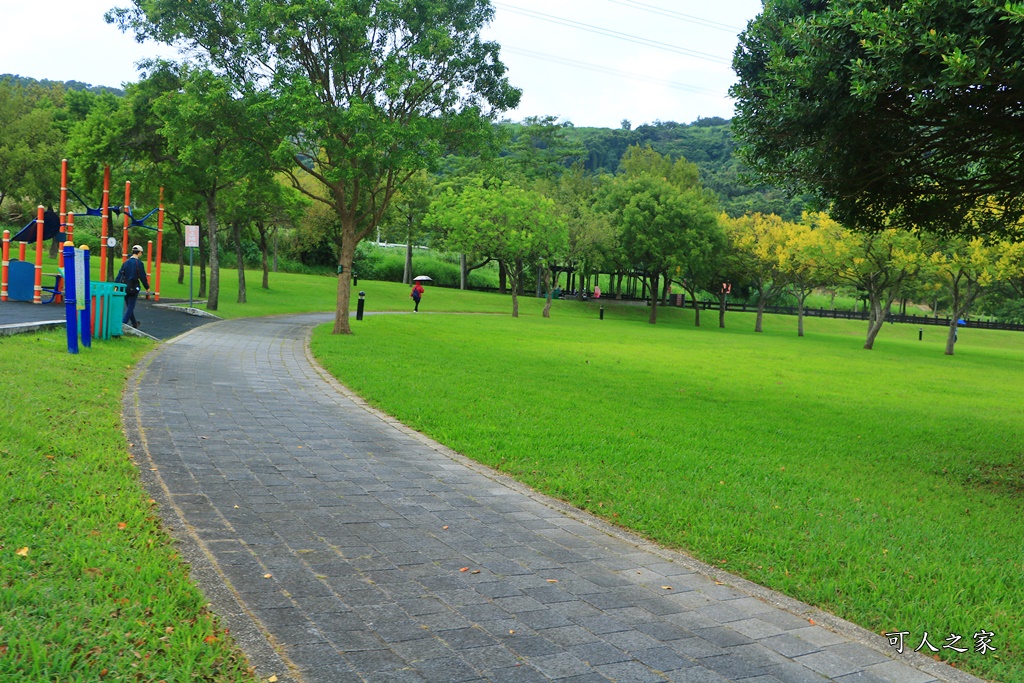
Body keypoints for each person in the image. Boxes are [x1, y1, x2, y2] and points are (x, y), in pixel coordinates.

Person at [116, 245, 150, 329]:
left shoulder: (126, 262)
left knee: (129, 306)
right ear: (139, 252)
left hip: (124, 286)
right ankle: (122, 324)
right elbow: (142, 276)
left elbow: (120, 274)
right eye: (141, 253)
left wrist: (116, 285)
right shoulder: (139, 263)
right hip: (134, 287)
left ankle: (134, 323)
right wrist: (147, 287)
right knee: (131, 307)